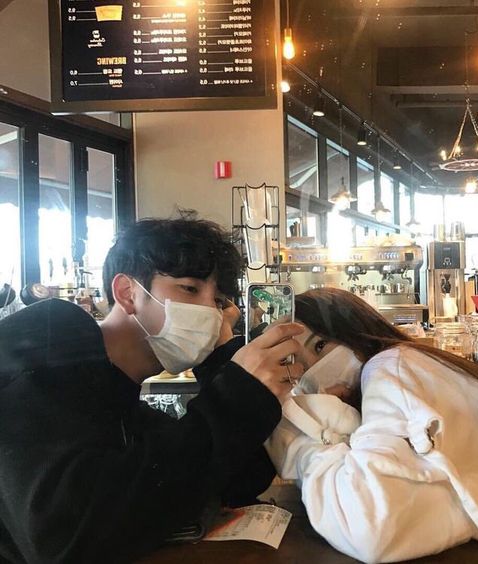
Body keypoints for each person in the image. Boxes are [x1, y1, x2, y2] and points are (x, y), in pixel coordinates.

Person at [0, 213, 304, 563]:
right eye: (190, 289)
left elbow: (233, 482)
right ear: (128, 293)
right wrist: (236, 394)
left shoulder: (120, 400)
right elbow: (65, 536)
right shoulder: (47, 351)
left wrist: (221, 362)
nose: (210, 311)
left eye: (219, 301)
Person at [266, 287, 478, 564]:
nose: (313, 371)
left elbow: (369, 524)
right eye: (297, 365)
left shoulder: (390, 367)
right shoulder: (410, 362)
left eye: (320, 345)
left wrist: (302, 437)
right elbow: (412, 508)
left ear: (354, 330)